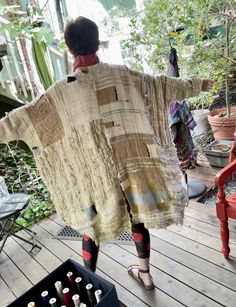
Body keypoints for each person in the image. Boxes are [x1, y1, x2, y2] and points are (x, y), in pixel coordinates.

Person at [0, 17, 213, 290]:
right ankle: (145, 274)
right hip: (130, 169)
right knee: (137, 219)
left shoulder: (62, 92)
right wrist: (199, 84)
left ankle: (89, 283)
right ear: (97, 41)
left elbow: (23, 119)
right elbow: (161, 85)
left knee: (92, 228)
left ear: (69, 48)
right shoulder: (123, 75)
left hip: (94, 177)